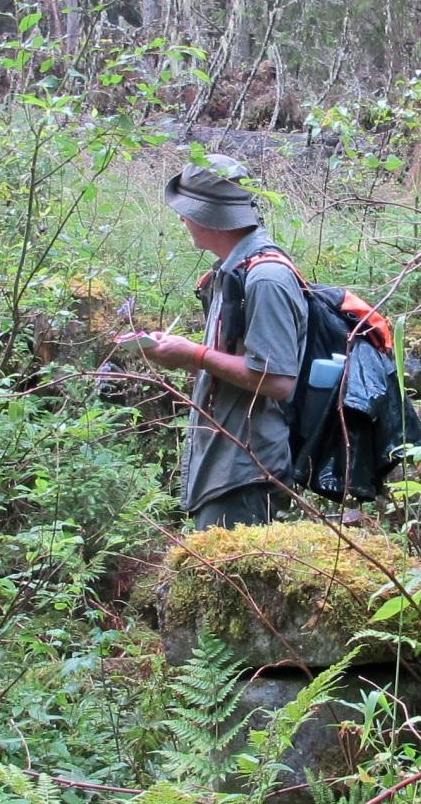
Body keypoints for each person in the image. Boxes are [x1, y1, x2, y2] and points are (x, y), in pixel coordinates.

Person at [119, 156, 307, 530]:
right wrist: (181, 353)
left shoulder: (265, 278)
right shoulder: (231, 272)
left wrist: (195, 354)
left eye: (186, 212)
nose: (182, 220)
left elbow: (278, 381)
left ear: (208, 217)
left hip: (246, 473)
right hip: (227, 466)